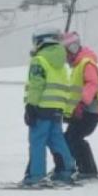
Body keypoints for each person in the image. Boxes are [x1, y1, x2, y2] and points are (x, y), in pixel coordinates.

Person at [23, 29, 76, 186]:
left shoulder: (39, 60)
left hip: (41, 106)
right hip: (56, 107)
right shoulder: (62, 63)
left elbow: (36, 85)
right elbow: (66, 86)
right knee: (56, 140)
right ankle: (66, 170)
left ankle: (36, 176)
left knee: (37, 141)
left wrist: (31, 105)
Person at [61, 31, 98, 179]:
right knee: (69, 137)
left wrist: (82, 103)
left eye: (66, 53)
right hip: (83, 110)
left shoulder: (86, 63)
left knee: (75, 138)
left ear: (72, 49)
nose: (65, 58)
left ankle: (88, 169)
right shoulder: (78, 65)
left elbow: (92, 83)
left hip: (91, 110)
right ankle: (78, 166)